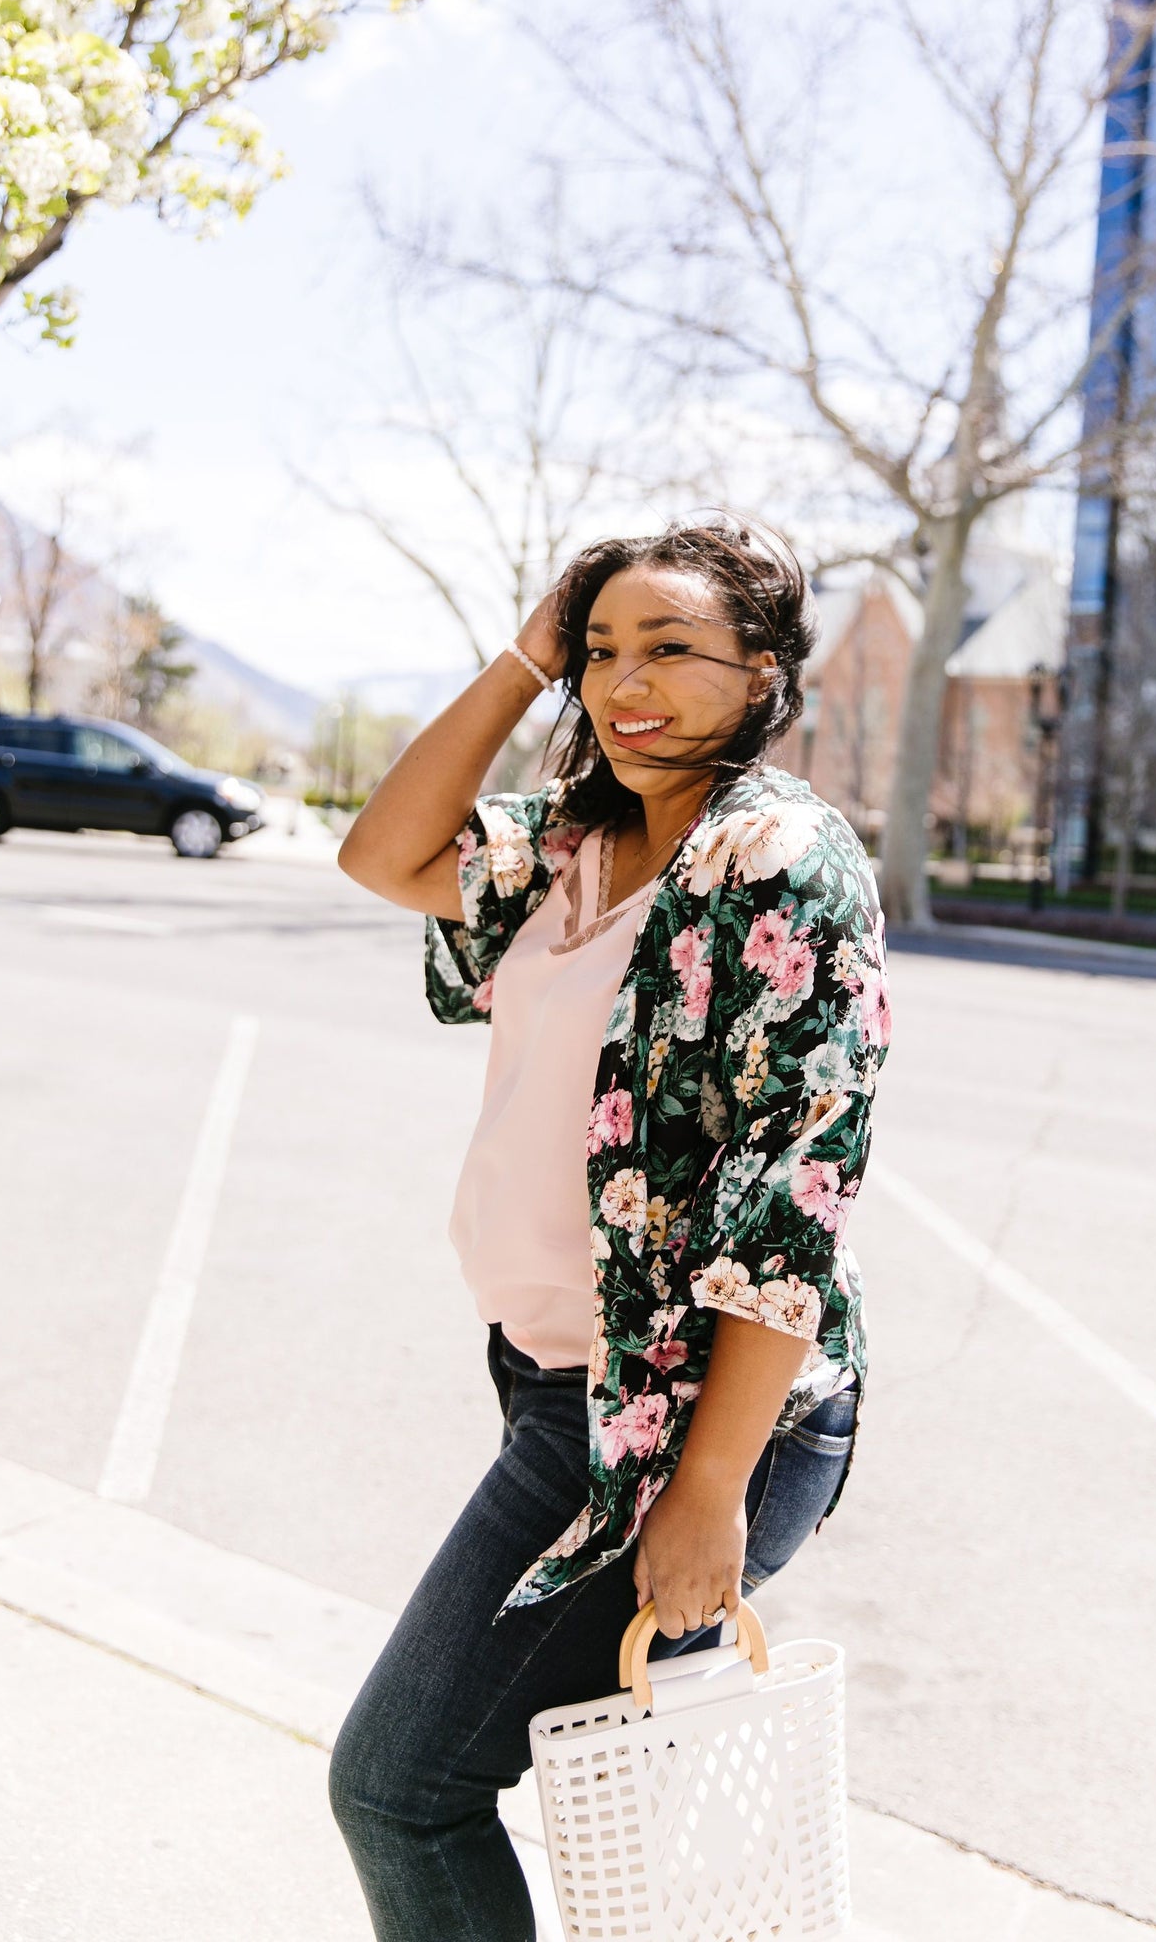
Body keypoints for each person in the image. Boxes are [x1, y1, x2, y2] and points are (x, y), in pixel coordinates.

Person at [329, 518, 890, 1942]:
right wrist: (529, 653)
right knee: (547, 1797)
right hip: (559, 1383)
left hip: (682, 1414)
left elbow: (794, 1199)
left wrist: (707, 1493)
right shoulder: (573, 848)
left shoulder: (777, 858)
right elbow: (382, 853)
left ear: (761, 669)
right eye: (601, 651)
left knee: (401, 1788)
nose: (624, 684)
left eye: (671, 650)